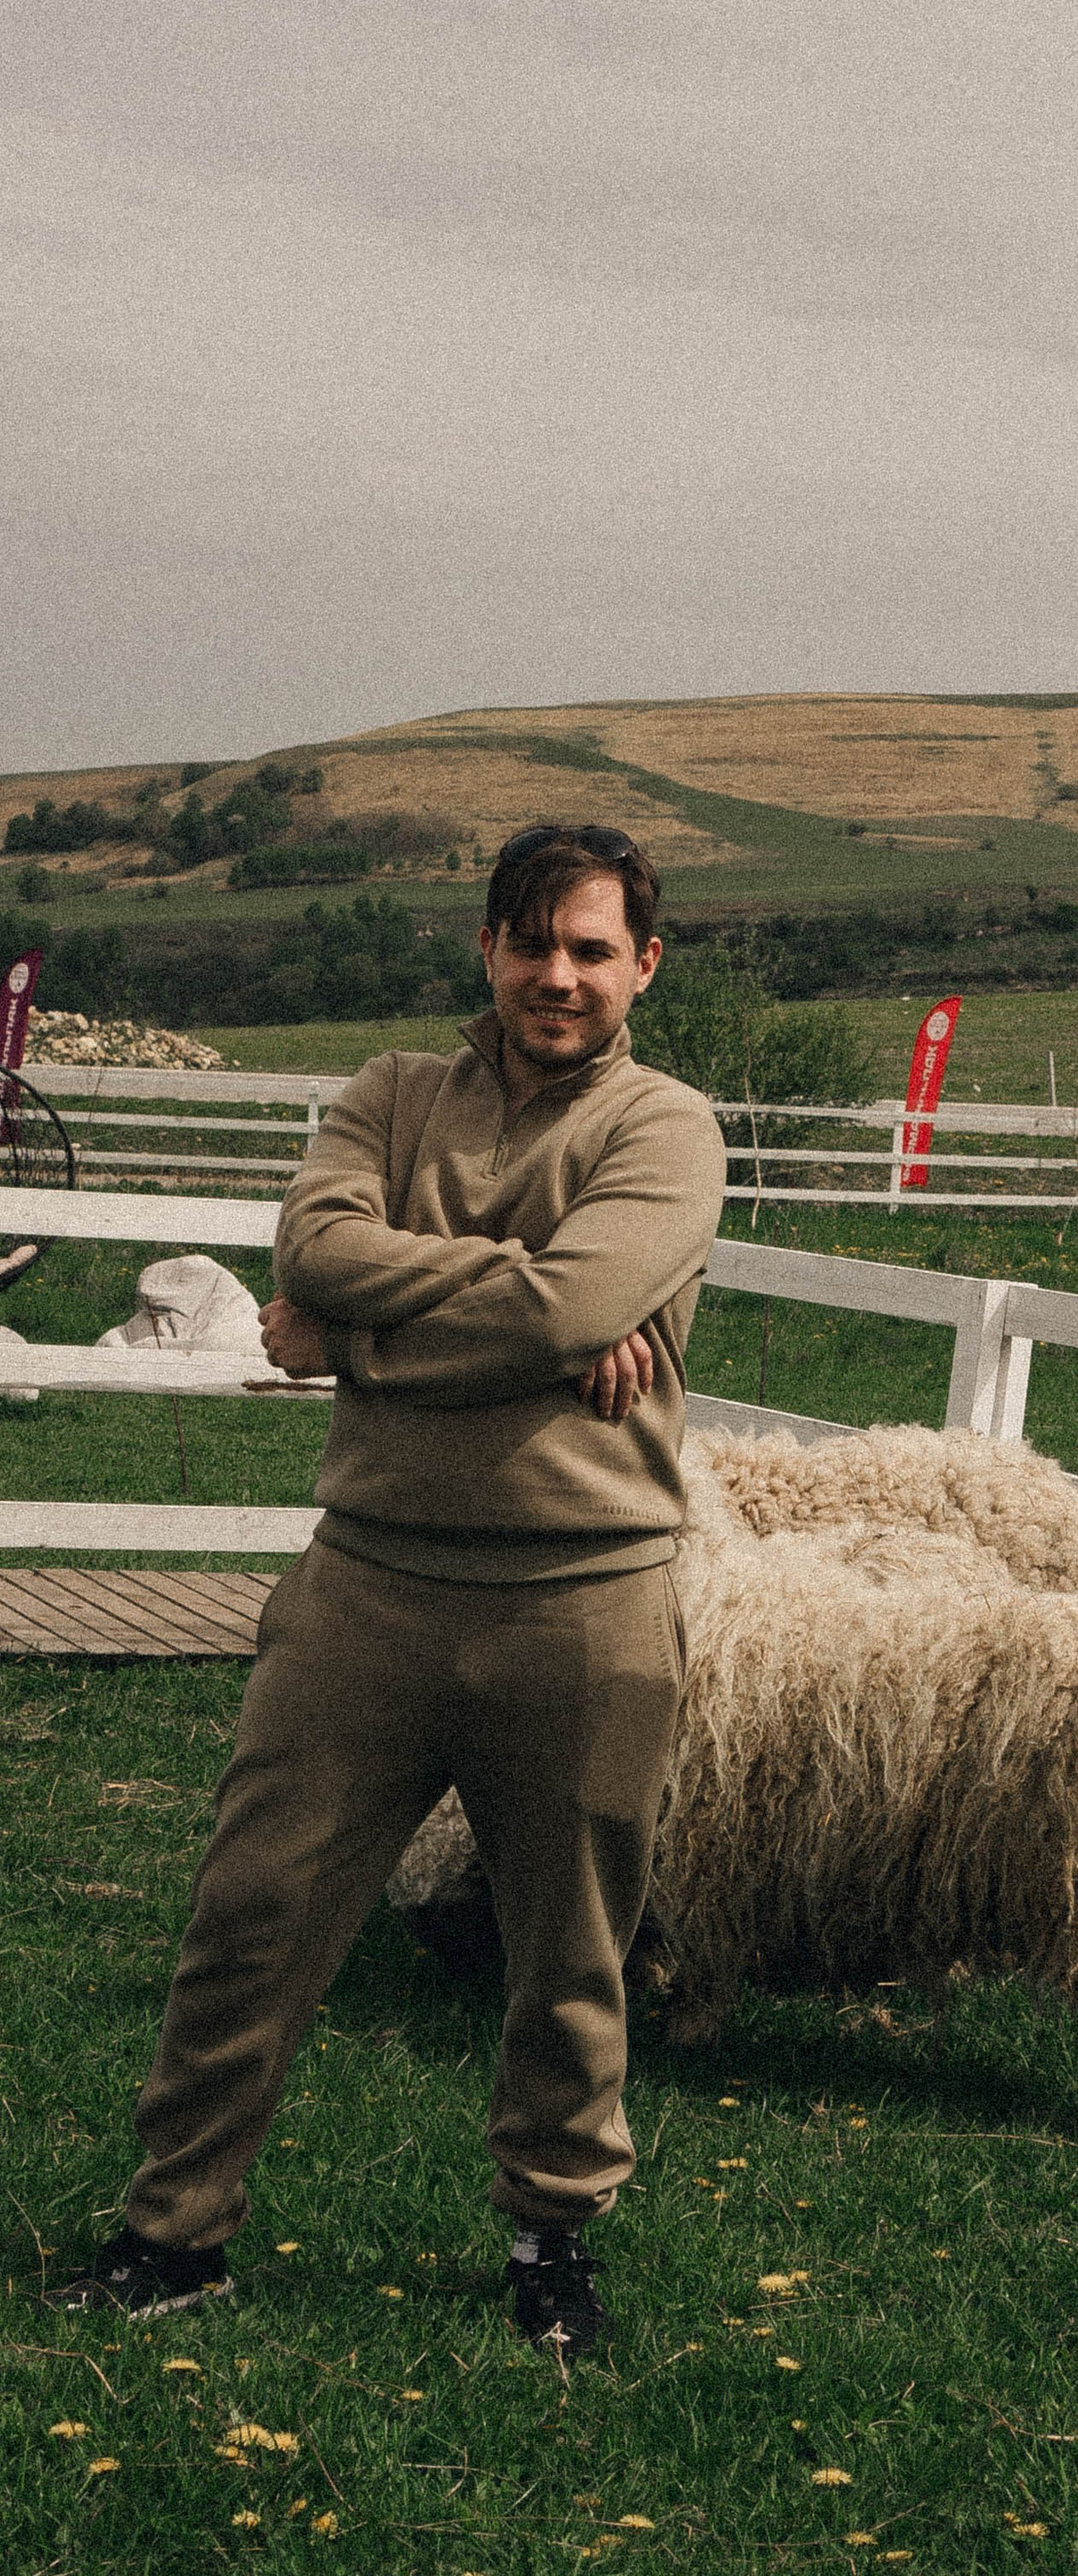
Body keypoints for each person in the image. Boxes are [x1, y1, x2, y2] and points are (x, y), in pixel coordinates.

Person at [51, 824, 728, 2357]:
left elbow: (576, 1295)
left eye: (591, 949)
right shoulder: (388, 1093)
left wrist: (348, 1337)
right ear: (486, 946)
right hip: (365, 1593)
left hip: (583, 1603)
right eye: (530, 942)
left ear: (643, 965)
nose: (558, 976)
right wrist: (524, 1320)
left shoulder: (667, 1127)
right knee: (254, 1914)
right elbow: (317, 1242)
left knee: (569, 1949)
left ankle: (554, 2243)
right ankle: (173, 2237)